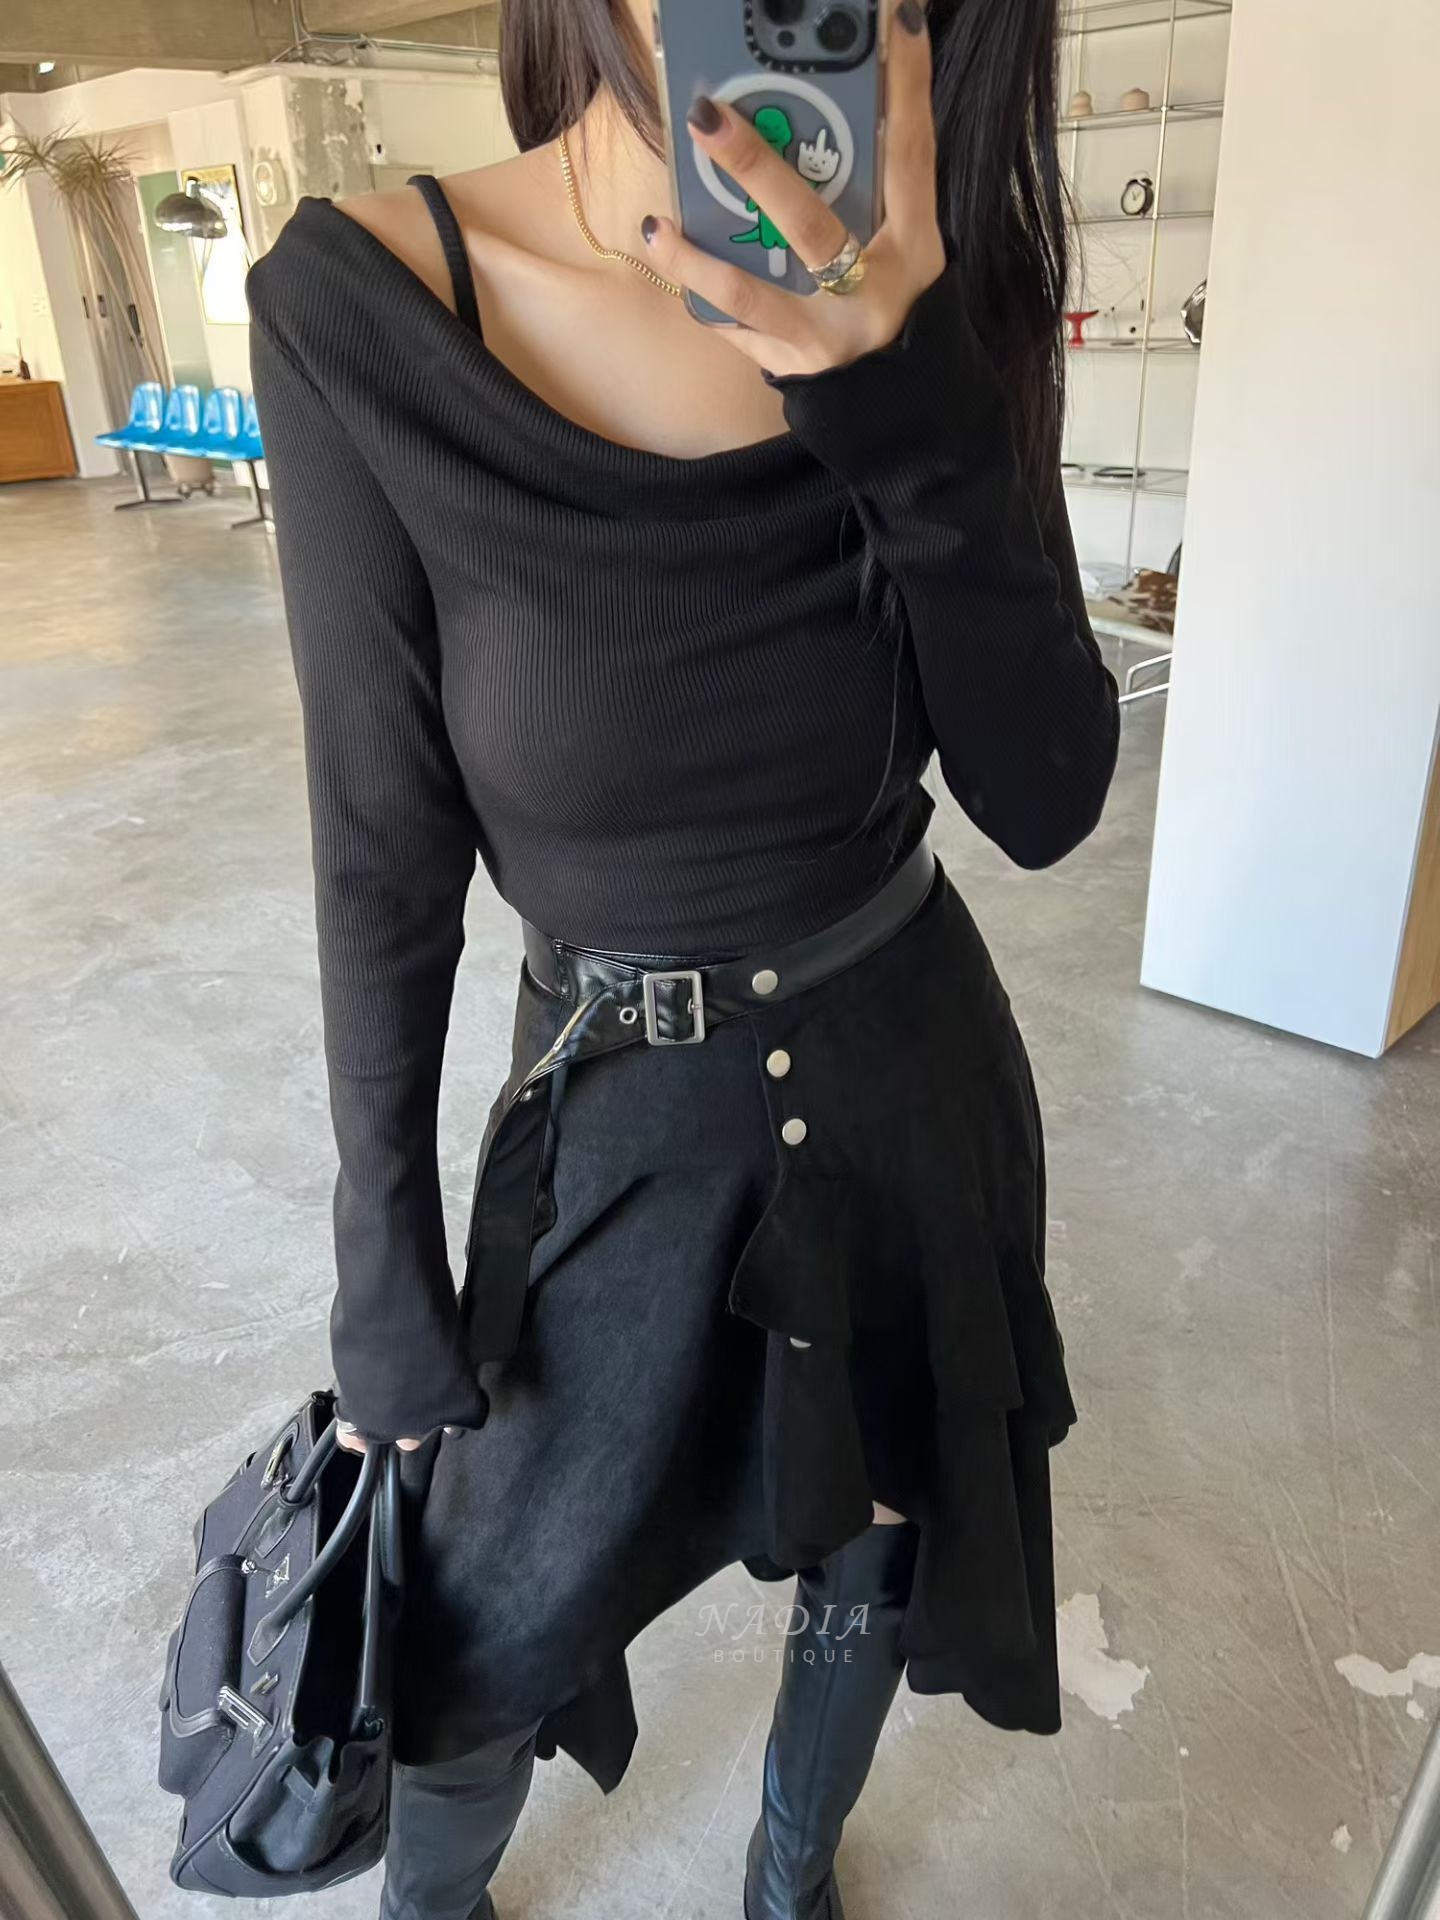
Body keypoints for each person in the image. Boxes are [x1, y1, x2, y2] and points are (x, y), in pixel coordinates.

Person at [246, 0, 1119, 1913]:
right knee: (481, 1619)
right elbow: (380, 846)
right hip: (614, 1120)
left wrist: (902, 384)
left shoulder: (937, 268)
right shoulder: (367, 307)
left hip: (904, 1075)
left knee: (873, 1538)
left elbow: (1046, 791)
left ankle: (790, 1875)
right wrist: (381, 1252)